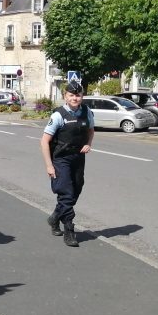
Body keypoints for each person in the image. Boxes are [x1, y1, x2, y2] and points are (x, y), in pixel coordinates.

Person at [39, 79, 95, 247]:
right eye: (71, 95)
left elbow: (91, 131)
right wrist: (49, 165)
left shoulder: (87, 112)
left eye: (78, 95)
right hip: (60, 159)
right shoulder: (58, 115)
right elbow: (44, 141)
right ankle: (69, 230)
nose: (75, 98)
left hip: (78, 158)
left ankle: (55, 217)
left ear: (82, 96)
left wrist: (88, 144)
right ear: (65, 96)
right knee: (66, 193)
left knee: (76, 191)